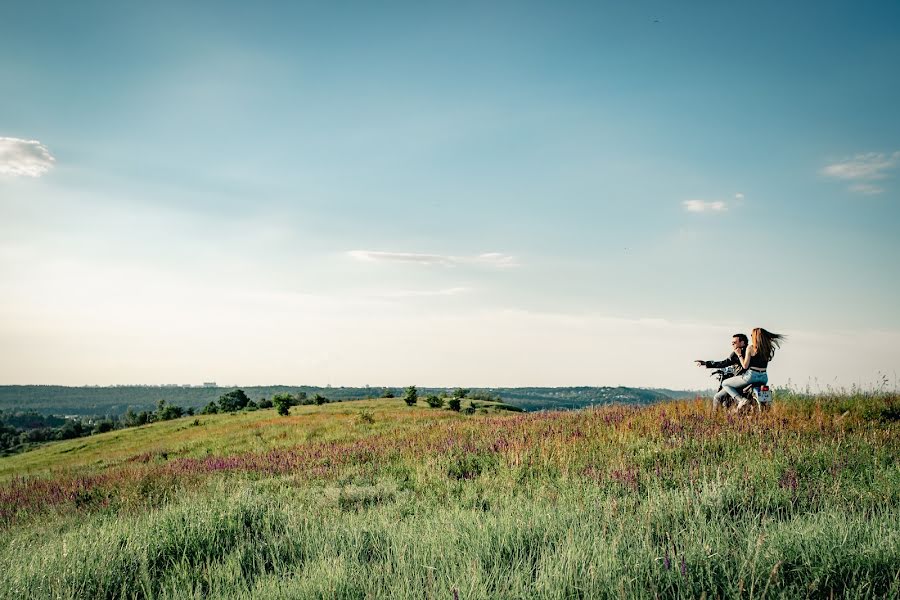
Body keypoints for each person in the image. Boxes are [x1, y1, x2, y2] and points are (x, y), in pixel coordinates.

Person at [718, 328, 785, 411]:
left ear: (755, 337)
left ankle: (741, 400)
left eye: (752, 335)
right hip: (764, 377)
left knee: (725, 383)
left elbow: (745, 366)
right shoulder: (767, 348)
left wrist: (739, 354)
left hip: (751, 376)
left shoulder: (750, 348)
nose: (751, 336)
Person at [695, 333, 748, 409]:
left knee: (717, 397)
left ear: (742, 342)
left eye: (734, 342)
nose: (732, 344)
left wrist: (706, 363)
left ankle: (715, 419)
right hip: (754, 378)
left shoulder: (736, 353)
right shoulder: (751, 350)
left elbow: (723, 363)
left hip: (741, 379)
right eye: (732, 343)